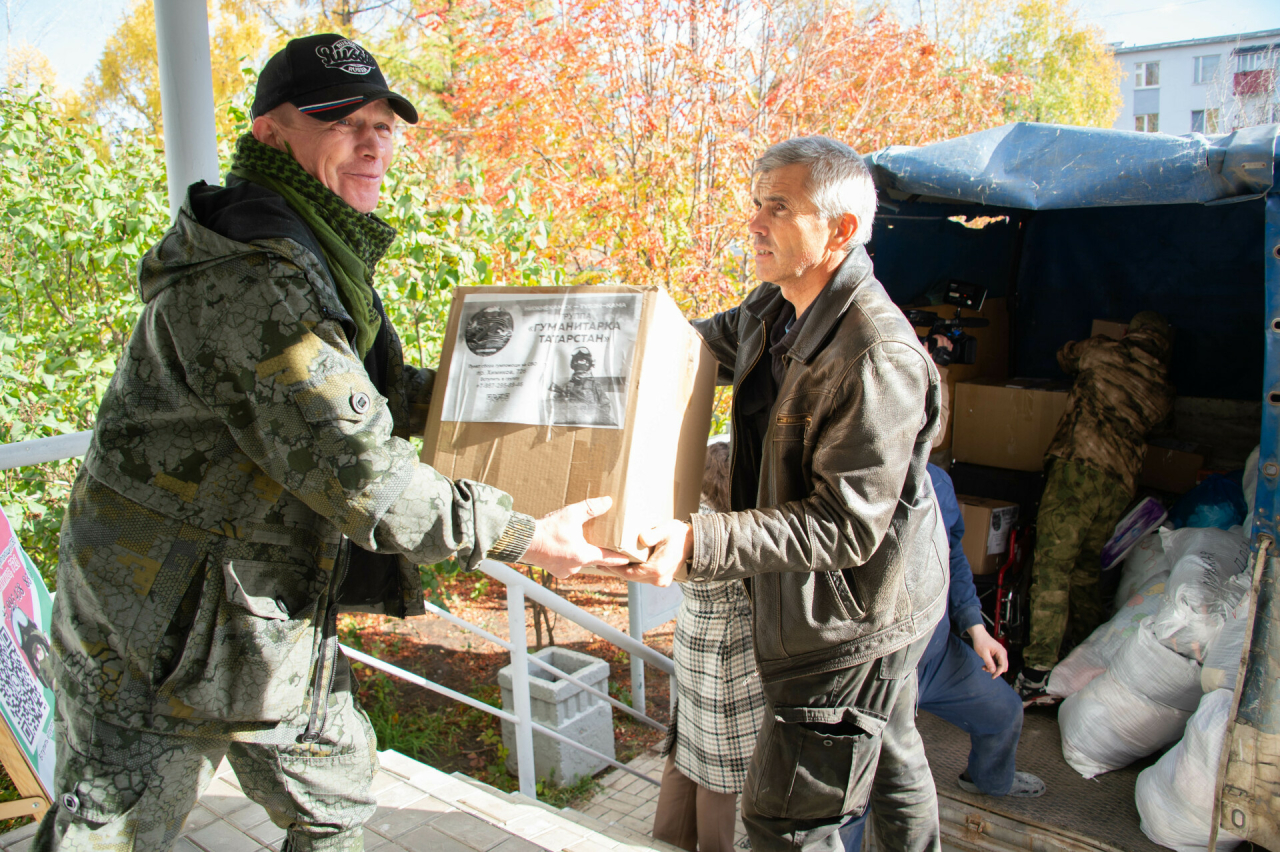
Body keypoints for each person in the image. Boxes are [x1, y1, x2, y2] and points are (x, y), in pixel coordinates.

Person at [37, 34, 627, 852]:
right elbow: (365, 475)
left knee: (338, 800)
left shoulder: (310, 248)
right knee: (111, 833)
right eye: (342, 121)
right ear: (271, 133)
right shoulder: (255, 276)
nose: (372, 141)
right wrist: (524, 534)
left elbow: (363, 390)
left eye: (384, 123)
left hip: (259, 611)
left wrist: (512, 389)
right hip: (159, 627)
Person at [615, 136, 949, 852]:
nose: (754, 223)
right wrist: (605, 343)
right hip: (856, 596)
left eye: (778, 208)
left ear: (840, 229)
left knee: (788, 817)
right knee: (890, 750)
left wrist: (701, 541)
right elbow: (689, 350)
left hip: (856, 610)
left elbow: (845, 525)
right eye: (755, 204)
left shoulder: (876, 356)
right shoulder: (776, 305)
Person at [840, 464, 1044, 851]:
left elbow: (954, 557)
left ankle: (987, 778)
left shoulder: (938, 482)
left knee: (1004, 711)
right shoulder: (854, 476)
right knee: (857, 790)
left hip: (936, 657)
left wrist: (976, 628)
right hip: (875, 671)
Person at [1015, 312, 1175, 703]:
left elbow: (1065, 356)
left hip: (1079, 468)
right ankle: (1088, 658)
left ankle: (1037, 672)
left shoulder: (1104, 352)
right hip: (1120, 484)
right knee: (1086, 571)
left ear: (1130, 332)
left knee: (1053, 568)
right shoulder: (1163, 390)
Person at [652, 441, 766, 852]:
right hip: (730, 654)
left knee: (687, 747)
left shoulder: (684, 521)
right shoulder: (729, 532)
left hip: (693, 638)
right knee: (718, 767)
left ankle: (669, 841)